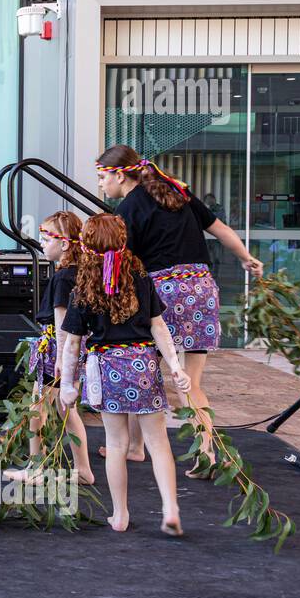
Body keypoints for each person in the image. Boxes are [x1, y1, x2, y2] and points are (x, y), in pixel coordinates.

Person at [97, 145, 263, 476]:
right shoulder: (177, 192)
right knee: (191, 381)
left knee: (143, 372)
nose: (101, 185)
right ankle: (194, 454)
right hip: (200, 291)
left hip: (163, 296)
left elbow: (119, 266)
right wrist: (246, 257)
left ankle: (146, 448)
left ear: (119, 175)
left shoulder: (128, 210)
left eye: (102, 177)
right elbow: (221, 229)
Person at [59, 214, 190, 536]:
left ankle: (120, 515)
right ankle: (170, 508)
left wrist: (66, 385)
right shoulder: (139, 276)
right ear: (122, 241)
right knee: (158, 443)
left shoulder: (83, 285)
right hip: (143, 363)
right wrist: (175, 366)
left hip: (106, 368)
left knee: (116, 445)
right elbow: (159, 326)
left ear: (87, 245)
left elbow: (73, 342)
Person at [8, 211, 93, 485]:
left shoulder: (63, 277)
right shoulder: (77, 272)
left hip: (58, 349)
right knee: (65, 411)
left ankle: (37, 468)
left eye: (46, 239)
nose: (42, 243)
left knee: (38, 409)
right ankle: (82, 469)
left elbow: (62, 323)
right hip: (67, 350)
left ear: (65, 244)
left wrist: (60, 360)